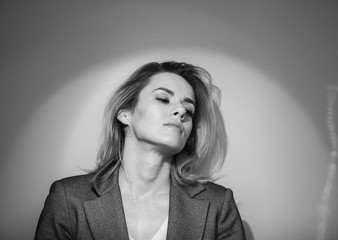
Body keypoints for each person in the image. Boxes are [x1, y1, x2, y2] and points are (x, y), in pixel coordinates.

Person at [35, 61, 246, 240]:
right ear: (125, 113)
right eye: (163, 98)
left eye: (189, 110)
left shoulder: (218, 204)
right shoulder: (67, 198)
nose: (181, 111)